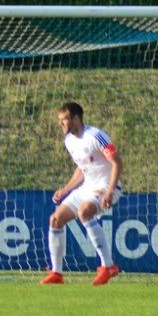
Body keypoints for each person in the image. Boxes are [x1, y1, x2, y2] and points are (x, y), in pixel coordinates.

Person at [40, 101, 122, 286]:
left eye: (64, 119)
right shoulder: (69, 140)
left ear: (76, 119)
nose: (60, 123)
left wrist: (109, 191)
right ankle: (57, 273)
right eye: (60, 119)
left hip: (107, 186)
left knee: (84, 212)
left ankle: (108, 266)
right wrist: (66, 189)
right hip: (87, 187)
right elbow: (82, 167)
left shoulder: (96, 136)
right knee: (55, 219)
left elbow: (117, 162)